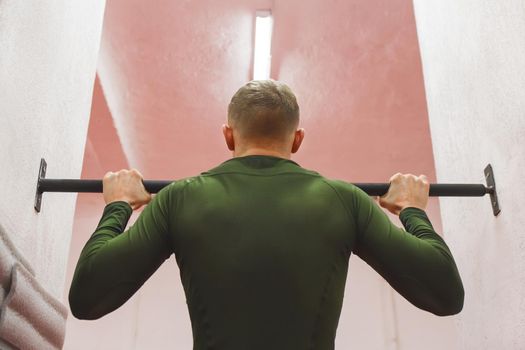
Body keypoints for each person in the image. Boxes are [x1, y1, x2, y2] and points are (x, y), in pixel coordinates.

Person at [69, 80, 464, 349]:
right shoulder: (344, 200)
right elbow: (445, 294)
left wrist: (118, 205)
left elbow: (88, 298)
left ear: (228, 135)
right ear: (297, 139)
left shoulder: (180, 199)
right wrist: (413, 211)